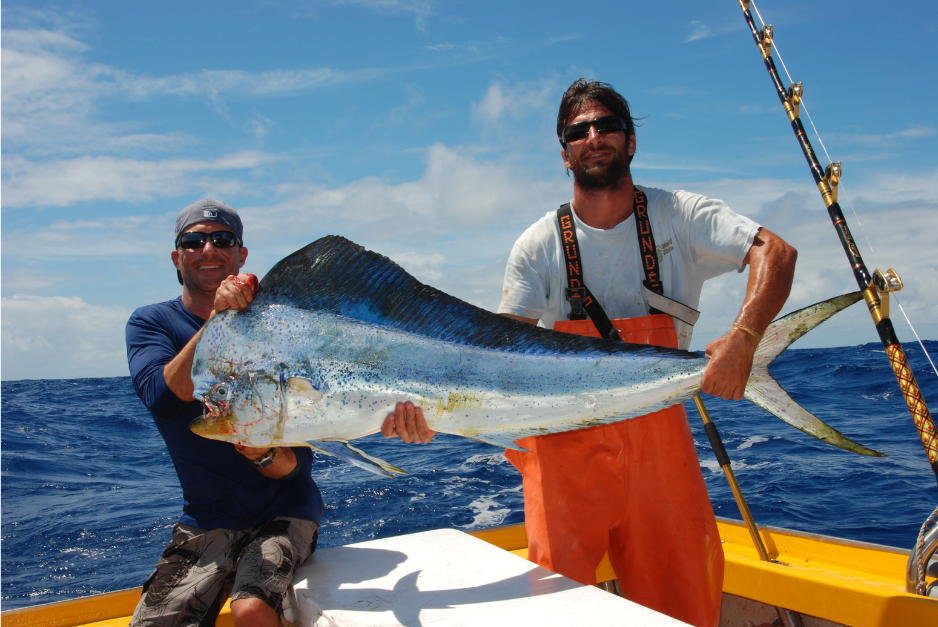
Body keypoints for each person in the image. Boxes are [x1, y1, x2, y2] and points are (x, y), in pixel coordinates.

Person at [497, 80, 797, 627]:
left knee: (683, 600)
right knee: (554, 612)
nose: (594, 136)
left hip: (659, 444)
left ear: (631, 141)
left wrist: (745, 339)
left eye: (607, 125)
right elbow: (493, 356)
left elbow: (774, 252)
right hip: (562, 455)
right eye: (578, 131)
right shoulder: (537, 246)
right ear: (564, 154)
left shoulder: (679, 215)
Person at [126, 199, 434, 627]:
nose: (208, 248)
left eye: (222, 239)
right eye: (194, 241)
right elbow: (163, 398)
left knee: (251, 610)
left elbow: (291, 471)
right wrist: (218, 318)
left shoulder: (279, 323)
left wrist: (261, 454)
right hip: (204, 521)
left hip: (286, 514)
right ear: (178, 257)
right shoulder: (150, 323)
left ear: (241, 254)